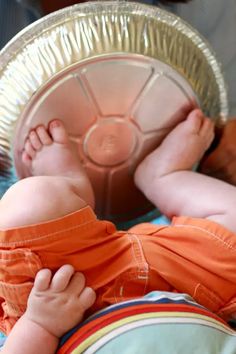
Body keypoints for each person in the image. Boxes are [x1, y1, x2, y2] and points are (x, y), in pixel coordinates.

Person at [1, 108, 236, 340]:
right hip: (192, 297)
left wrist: (41, 324)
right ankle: (162, 178)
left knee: (33, 205)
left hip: (66, 298)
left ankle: (70, 184)